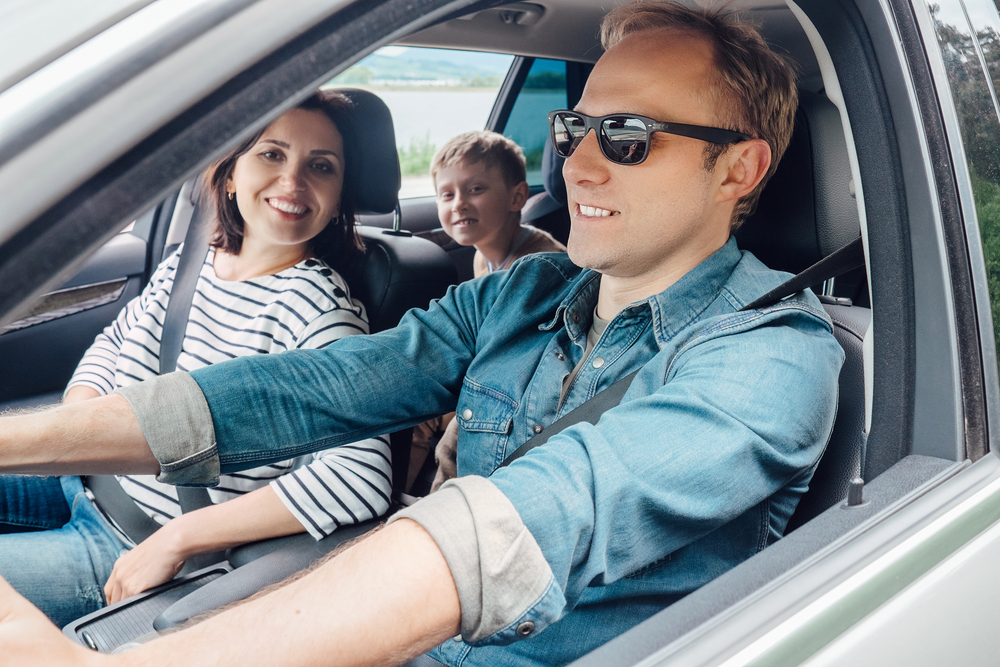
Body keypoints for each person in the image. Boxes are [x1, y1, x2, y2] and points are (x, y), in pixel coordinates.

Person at [0, 2, 845, 666]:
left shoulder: (772, 352)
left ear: (739, 168)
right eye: (575, 128)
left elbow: (528, 519)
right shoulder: (529, 289)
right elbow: (308, 389)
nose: (577, 167)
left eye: (627, 137)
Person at [0, 91, 391, 627]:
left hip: (131, 541)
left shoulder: (319, 309)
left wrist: (179, 539)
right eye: (271, 154)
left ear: (340, 193)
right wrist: (78, 429)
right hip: (82, 482)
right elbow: (112, 343)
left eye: (321, 167)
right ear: (230, 174)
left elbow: (360, 477)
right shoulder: (193, 265)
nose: (294, 183)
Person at [407, 130, 567, 492]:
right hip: (498, 369)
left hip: (524, 384)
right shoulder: (485, 255)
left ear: (517, 197)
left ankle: (436, 503)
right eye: (447, 194)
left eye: (475, 190)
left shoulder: (539, 266)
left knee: (451, 426)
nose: (458, 204)